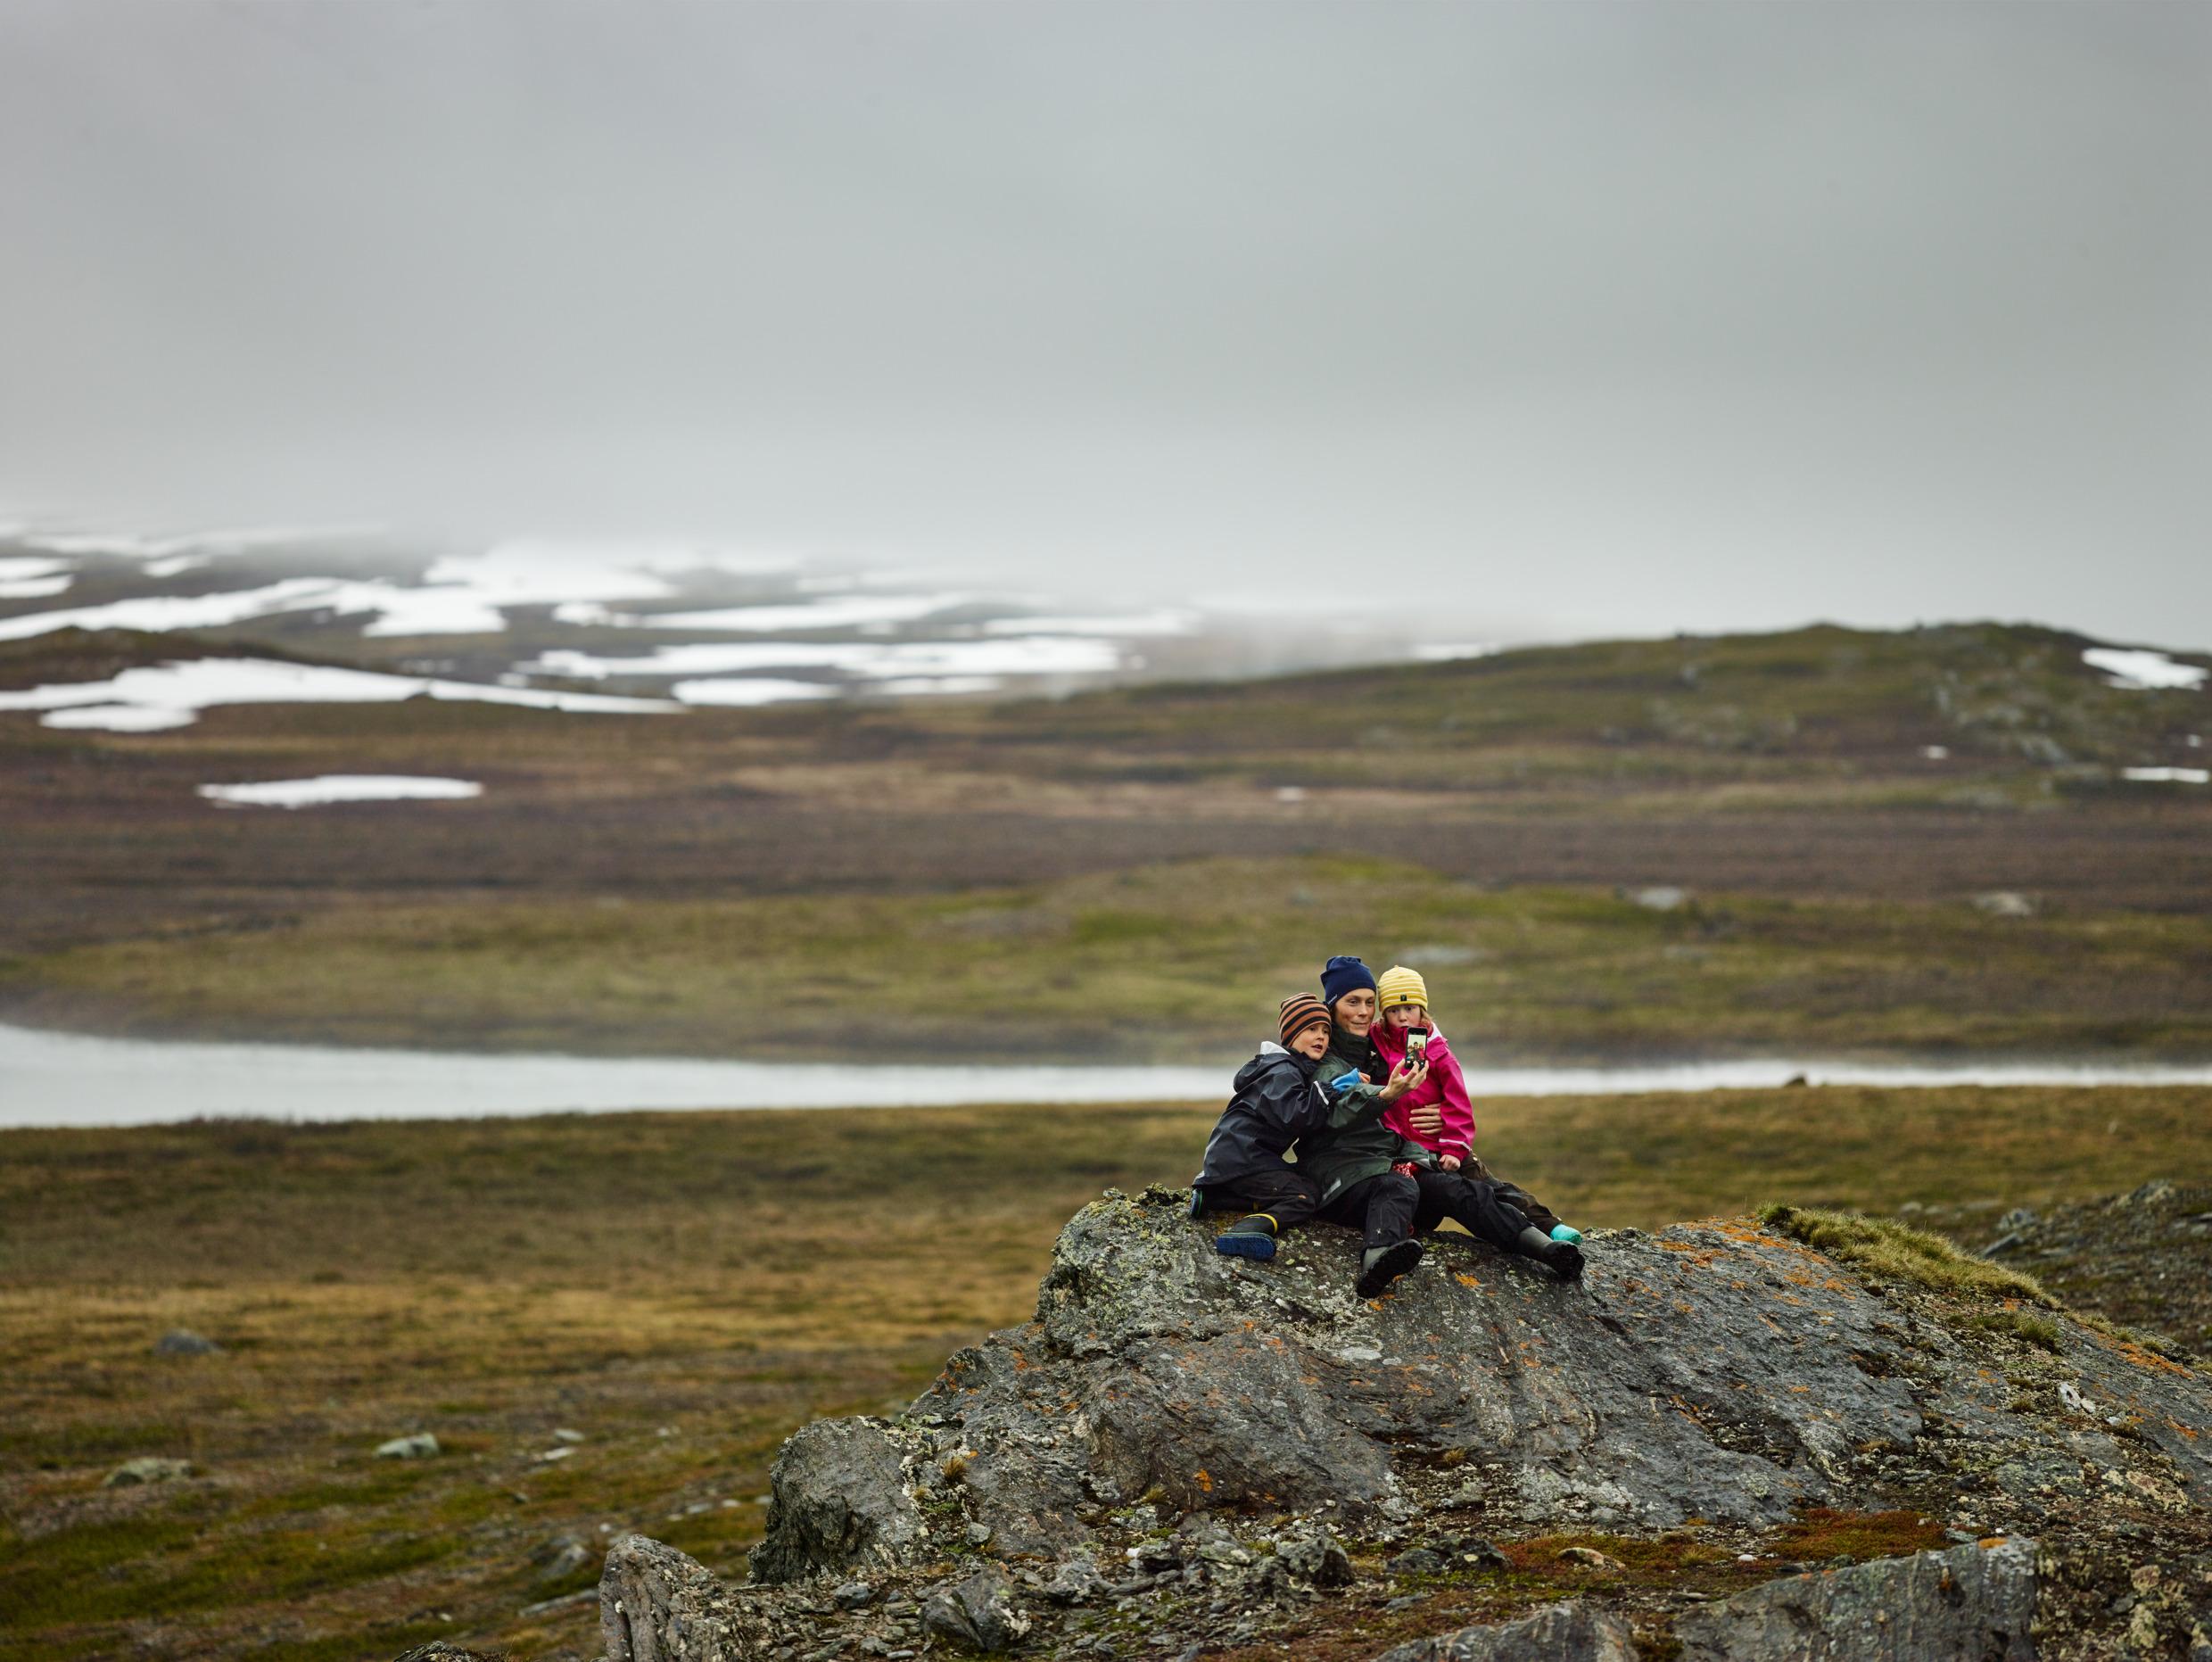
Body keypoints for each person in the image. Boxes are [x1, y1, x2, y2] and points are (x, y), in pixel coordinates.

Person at [1302, 956, 1583, 1284]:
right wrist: (1387, 1096)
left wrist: (1438, 1111)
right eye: (1353, 1002)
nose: (1364, 1011)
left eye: (1369, 1002)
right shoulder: (1322, 1053)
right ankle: (1377, 1261)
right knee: (1406, 1184)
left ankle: (1545, 1248)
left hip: (1398, 1163)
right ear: (1333, 1007)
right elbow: (1336, 1105)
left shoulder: (1382, 1044)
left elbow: (1427, 1064)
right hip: (1355, 1180)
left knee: (1460, 1187)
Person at [1369, 963, 1581, 1245]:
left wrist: (1454, 1147)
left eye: (1410, 1009)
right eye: (1394, 1010)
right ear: (1384, 1014)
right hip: (1410, 1151)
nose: (1403, 1017)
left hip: (1445, 1147)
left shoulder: (1438, 1052)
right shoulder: (1376, 1041)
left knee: (1491, 1188)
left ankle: (1550, 1227)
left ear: (1422, 1009)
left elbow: (1458, 1104)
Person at [1189, 995, 1341, 1262]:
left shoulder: (1280, 1067)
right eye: (1311, 1029)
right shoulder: (1283, 1071)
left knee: (1299, 1177)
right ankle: (1247, 1231)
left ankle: (1216, 1198)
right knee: (1305, 1195)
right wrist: (1327, 1090)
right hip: (1244, 1158)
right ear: (1291, 1034)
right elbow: (1297, 1117)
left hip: (1233, 1157)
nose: (1321, 1037)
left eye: (1326, 1031)